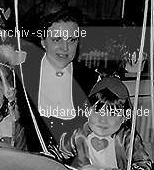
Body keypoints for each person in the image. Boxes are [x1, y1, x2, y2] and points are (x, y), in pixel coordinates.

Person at [17, 8, 98, 155]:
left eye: (72, 40)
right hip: (29, 166)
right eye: (57, 39)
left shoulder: (90, 79)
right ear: (43, 41)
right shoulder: (21, 74)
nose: (65, 48)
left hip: (76, 169)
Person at [59, 77, 152, 170]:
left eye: (112, 113)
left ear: (125, 117)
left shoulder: (128, 139)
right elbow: (58, 153)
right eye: (97, 111)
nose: (102, 120)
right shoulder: (80, 134)